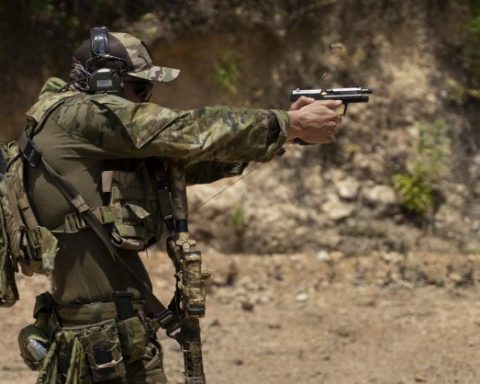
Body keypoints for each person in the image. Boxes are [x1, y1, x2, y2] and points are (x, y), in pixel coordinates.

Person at [16, 27, 341, 384]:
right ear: (105, 81)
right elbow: (184, 130)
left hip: (100, 329)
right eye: (139, 88)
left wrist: (287, 134)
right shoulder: (81, 115)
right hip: (103, 336)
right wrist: (286, 122)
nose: (144, 98)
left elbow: (178, 164)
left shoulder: (71, 126)